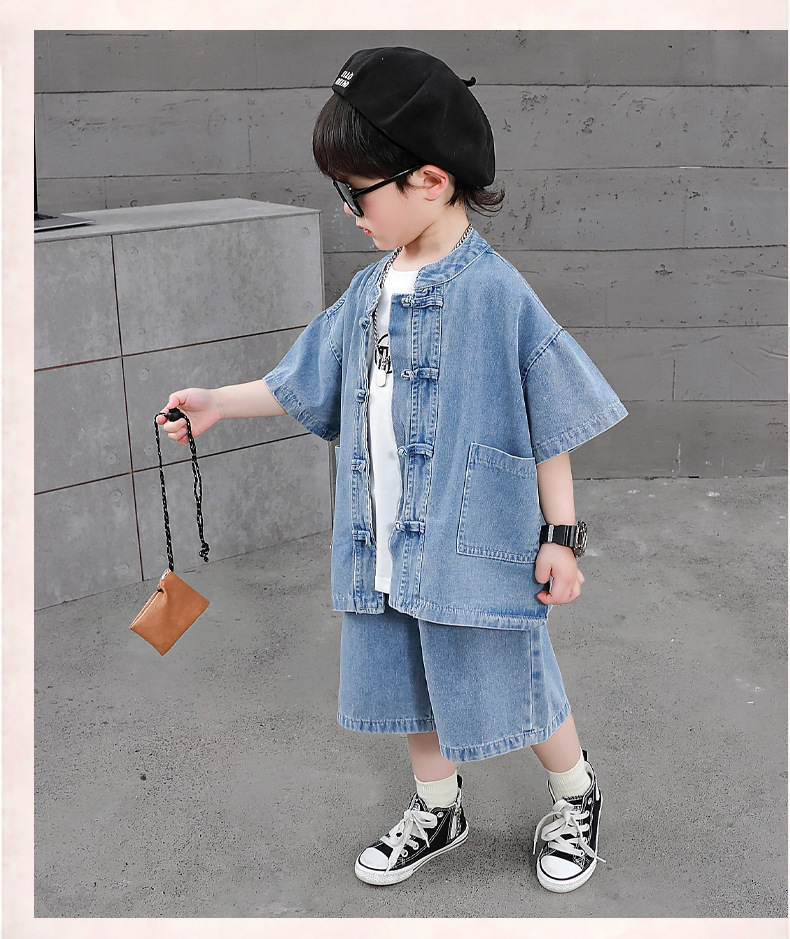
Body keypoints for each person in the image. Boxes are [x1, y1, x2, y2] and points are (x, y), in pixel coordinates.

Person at [157, 46, 627, 893]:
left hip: (471, 535)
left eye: (358, 193)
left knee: (516, 674)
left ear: (431, 180)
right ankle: (438, 805)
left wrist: (561, 535)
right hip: (381, 536)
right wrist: (219, 401)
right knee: (410, 681)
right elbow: (305, 376)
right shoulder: (370, 290)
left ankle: (575, 794)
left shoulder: (497, 292)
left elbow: (550, 418)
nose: (349, 212)